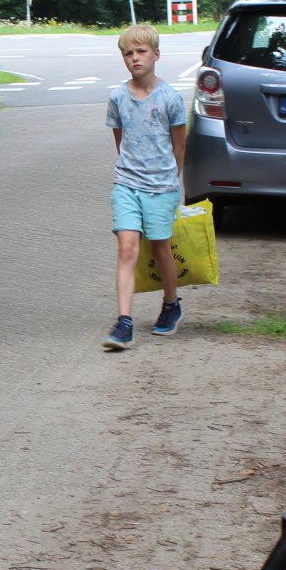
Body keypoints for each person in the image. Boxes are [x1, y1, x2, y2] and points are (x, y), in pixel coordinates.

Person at [103, 23, 188, 351]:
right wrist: (132, 174)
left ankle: (171, 304)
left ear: (156, 54)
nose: (135, 58)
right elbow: (121, 142)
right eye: (128, 53)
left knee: (159, 248)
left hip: (161, 186)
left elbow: (178, 146)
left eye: (141, 52)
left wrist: (169, 181)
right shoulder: (117, 98)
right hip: (126, 183)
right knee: (126, 249)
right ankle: (124, 322)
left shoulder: (170, 98)